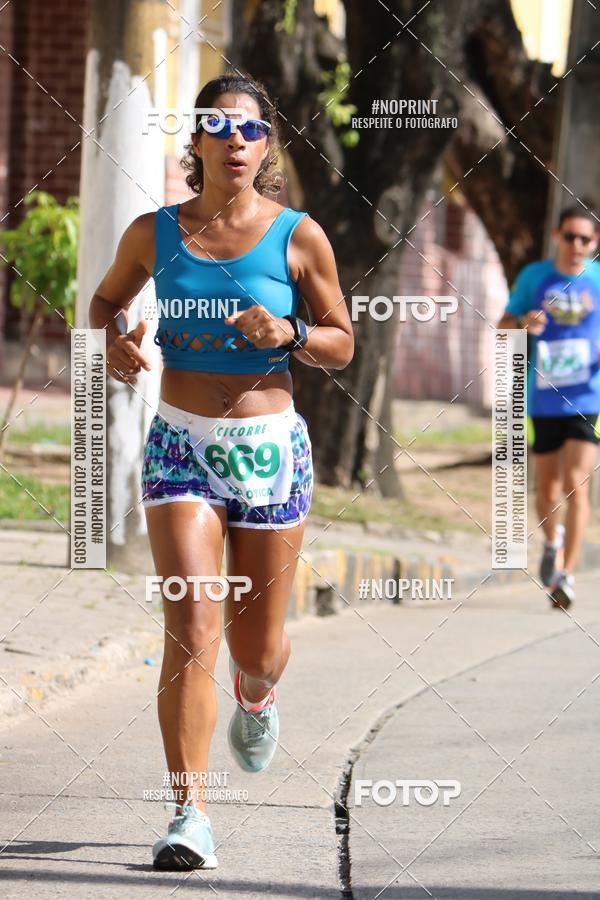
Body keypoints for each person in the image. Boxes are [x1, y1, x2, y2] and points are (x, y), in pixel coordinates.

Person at [89, 71, 354, 869]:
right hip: (181, 445)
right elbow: (105, 304)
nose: (235, 139)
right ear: (195, 138)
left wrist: (291, 332)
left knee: (256, 646)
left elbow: (344, 340)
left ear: (266, 144)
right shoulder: (153, 232)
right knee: (192, 628)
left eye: (250, 129)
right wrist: (114, 336)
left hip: (269, 450)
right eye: (218, 125)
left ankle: (261, 692)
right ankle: (189, 814)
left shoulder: (299, 235)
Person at [497, 205, 600, 609]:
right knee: (547, 489)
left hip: (588, 395)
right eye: (570, 236)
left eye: (586, 240)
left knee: (577, 482)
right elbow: (504, 325)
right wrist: (523, 322)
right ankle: (551, 540)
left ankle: (566, 574)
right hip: (543, 395)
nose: (577, 245)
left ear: (595, 244)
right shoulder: (535, 278)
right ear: (557, 235)